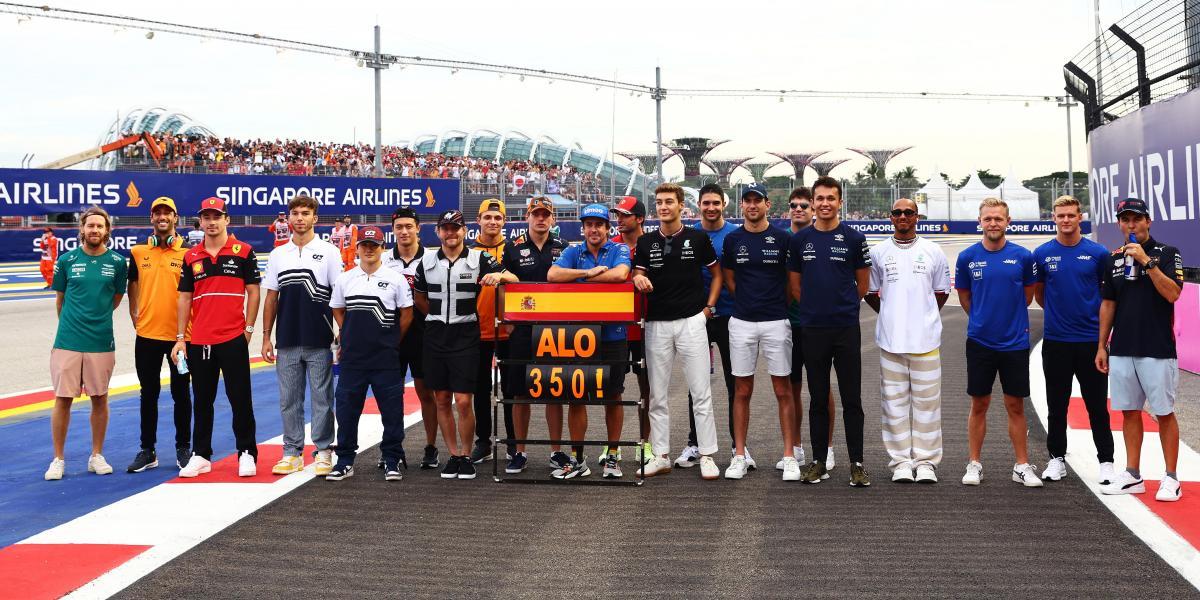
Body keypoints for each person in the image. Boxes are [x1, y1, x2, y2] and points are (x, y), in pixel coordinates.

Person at [413, 210, 516, 481]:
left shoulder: (479, 258)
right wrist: (437, 318)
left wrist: (499, 277)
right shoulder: (426, 262)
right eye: (445, 228)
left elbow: (514, 279)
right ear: (438, 231)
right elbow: (419, 299)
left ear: (464, 231)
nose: (451, 233)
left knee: (463, 400)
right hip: (435, 334)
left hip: (466, 333)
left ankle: (467, 455)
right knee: (442, 399)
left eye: (455, 228)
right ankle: (454, 455)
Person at [1097, 198, 1185, 502]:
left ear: (1148, 221)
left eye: (1136, 219)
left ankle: (1171, 477)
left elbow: (1173, 294)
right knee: (1129, 412)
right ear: (1119, 224)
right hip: (1122, 348)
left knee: (1164, 413)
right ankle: (1133, 474)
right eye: (1125, 220)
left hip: (1157, 348)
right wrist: (1101, 345)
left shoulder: (1168, 253)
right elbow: (1108, 304)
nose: (1131, 224)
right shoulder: (1113, 259)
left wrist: (1147, 262)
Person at [786, 175, 872, 487]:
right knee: (818, 398)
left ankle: (857, 464)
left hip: (845, 328)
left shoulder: (854, 238)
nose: (825, 204)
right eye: (819, 198)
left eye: (830, 198)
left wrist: (841, 307)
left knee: (852, 399)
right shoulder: (800, 240)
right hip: (813, 329)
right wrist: (816, 309)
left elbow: (862, 285)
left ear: (840, 202)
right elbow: (795, 287)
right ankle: (819, 462)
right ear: (813, 202)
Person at [633, 183, 722, 480]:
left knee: (701, 392)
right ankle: (661, 456)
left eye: (669, 201)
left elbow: (717, 274)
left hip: (692, 322)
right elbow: (638, 272)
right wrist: (637, 278)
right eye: (659, 202)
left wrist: (708, 309)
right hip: (656, 324)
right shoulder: (645, 242)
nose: (663, 206)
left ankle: (707, 455)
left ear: (681, 205)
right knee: (657, 395)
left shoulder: (697, 238)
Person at [171, 196, 261, 479]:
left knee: (240, 399)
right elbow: (184, 298)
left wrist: (248, 329)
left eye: (216, 216)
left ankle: (246, 452)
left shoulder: (243, 251)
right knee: (202, 400)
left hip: (233, 337)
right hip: (200, 340)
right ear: (200, 221)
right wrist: (180, 338)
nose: (211, 222)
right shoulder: (191, 256)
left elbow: (254, 292)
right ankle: (201, 455)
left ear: (226, 219)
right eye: (206, 217)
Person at [954, 198, 1042, 487]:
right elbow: (965, 298)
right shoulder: (967, 257)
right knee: (979, 403)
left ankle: (1021, 465)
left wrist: (1006, 321)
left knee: (1015, 405)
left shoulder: (1023, 257)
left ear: (1008, 222)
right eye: (988, 218)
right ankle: (974, 463)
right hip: (980, 342)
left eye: (998, 218)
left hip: (1015, 342)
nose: (993, 223)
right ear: (980, 222)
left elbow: (1027, 296)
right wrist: (983, 320)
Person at [865, 198, 950, 484]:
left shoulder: (933, 251)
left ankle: (926, 462)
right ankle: (900, 462)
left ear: (917, 217)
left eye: (909, 212)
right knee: (893, 405)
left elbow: (941, 292)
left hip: (926, 341)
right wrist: (891, 315)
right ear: (891, 217)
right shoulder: (878, 252)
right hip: (891, 342)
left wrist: (921, 316)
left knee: (928, 405)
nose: (903, 216)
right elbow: (870, 292)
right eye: (898, 212)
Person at [1033, 195, 1114, 485]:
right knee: (1057, 406)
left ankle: (1106, 461)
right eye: (1061, 215)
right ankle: (1056, 458)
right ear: (1053, 218)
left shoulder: (1098, 253)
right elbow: (1040, 294)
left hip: (1091, 343)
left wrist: (1102, 343)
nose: (1066, 220)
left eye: (1071, 215)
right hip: (1056, 342)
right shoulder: (1042, 254)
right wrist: (1061, 315)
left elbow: (1108, 297)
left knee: (1097, 407)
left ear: (1080, 217)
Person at [547, 203, 631, 478]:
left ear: (608, 228)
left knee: (613, 396)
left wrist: (578, 280)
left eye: (599, 225)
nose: (594, 229)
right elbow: (553, 275)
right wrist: (586, 273)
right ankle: (577, 459)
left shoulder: (619, 249)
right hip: (579, 335)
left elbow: (621, 274)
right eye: (589, 225)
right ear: (583, 228)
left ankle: (612, 456)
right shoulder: (573, 251)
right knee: (576, 397)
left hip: (613, 334)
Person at [720, 183, 798, 481]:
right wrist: (748, 303)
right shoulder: (733, 239)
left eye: (758, 201)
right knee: (741, 390)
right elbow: (730, 280)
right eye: (747, 201)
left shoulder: (783, 239)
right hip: (742, 321)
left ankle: (789, 456)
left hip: (777, 321)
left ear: (767, 204)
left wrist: (774, 305)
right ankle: (739, 455)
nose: (752, 206)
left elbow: (791, 283)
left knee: (783, 390)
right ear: (742, 206)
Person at [261, 195, 341, 477]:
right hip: (287, 338)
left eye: (305, 213)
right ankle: (292, 452)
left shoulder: (329, 251)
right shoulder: (278, 254)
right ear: (289, 218)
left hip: (320, 337)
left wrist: (342, 334)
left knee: (322, 399)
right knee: (289, 400)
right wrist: (266, 336)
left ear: (314, 218)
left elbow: (339, 296)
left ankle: (323, 450)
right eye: (295, 213)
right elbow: (271, 298)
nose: (299, 218)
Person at [44, 207, 127, 480]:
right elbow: (60, 301)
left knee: (100, 398)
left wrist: (95, 319)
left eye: (100, 226)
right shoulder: (67, 260)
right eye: (90, 225)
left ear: (107, 231)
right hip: (67, 340)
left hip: (101, 341)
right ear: (82, 229)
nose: (95, 230)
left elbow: (115, 299)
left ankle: (96, 455)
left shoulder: (117, 263)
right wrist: (71, 326)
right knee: (62, 399)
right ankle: (58, 459)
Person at [325, 226, 414, 481]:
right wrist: (349, 333)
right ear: (357, 248)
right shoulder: (345, 278)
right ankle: (345, 460)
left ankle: (392, 459)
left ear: (382, 248)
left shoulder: (395, 279)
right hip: (353, 358)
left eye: (374, 245)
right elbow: (337, 308)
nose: (369, 249)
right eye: (364, 245)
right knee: (347, 411)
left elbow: (407, 314)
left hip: (385, 358)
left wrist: (393, 340)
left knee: (392, 411)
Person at [676, 183, 743, 470]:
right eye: (706, 203)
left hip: (730, 316)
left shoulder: (735, 235)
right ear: (699, 205)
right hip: (696, 318)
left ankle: (738, 447)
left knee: (735, 383)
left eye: (716, 203)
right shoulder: (688, 235)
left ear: (723, 205)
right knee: (697, 384)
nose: (711, 207)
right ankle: (695, 443)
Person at [501, 197, 567, 474]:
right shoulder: (512, 247)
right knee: (519, 393)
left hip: (555, 329)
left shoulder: (563, 247)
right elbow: (502, 284)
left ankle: (556, 451)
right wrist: (506, 320)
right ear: (527, 217)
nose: (541, 219)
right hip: (522, 328)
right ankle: (519, 451)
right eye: (536, 214)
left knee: (555, 392)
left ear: (552, 218)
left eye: (545, 214)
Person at [125, 197, 192, 473]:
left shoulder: (188, 253)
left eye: (167, 213)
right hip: (147, 336)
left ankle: (183, 447)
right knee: (148, 394)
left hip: (181, 339)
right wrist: (134, 315)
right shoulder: (138, 252)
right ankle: (148, 450)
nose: (162, 217)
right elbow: (132, 284)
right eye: (157, 213)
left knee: (181, 394)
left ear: (175, 218)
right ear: (151, 218)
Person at [779, 187, 837, 472]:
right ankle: (797, 447)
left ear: (813, 208)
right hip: (787, 325)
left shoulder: (823, 238)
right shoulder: (782, 240)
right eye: (794, 205)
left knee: (822, 388)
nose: (799, 209)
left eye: (804, 205)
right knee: (791, 389)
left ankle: (828, 447)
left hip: (817, 325)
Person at [384, 207, 439, 470]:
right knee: (390, 395)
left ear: (418, 228)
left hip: (423, 335)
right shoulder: (384, 259)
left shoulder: (432, 258)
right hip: (391, 335)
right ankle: (391, 448)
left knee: (426, 393)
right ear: (393, 230)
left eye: (409, 226)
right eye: (399, 227)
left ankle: (431, 447)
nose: (404, 231)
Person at [610, 196, 653, 465]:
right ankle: (612, 446)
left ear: (640, 219)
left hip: (646, 328)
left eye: (625, 215)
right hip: (614, 328)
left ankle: (645, 444)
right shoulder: (610, 245)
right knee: (611, 389)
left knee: (647, 390)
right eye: (618, 215)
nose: (620, 219)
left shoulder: (652, 244)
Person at [470, 199, 510, 464]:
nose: (492, 222)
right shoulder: (469, 252)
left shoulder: (513, 250)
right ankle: (483, 441)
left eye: (497, 217)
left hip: (509, 330)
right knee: (480, 389)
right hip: (478, 330)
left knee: (511, 390)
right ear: (479, 220)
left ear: (504, 221)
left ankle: (513, 444)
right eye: (487, 217)